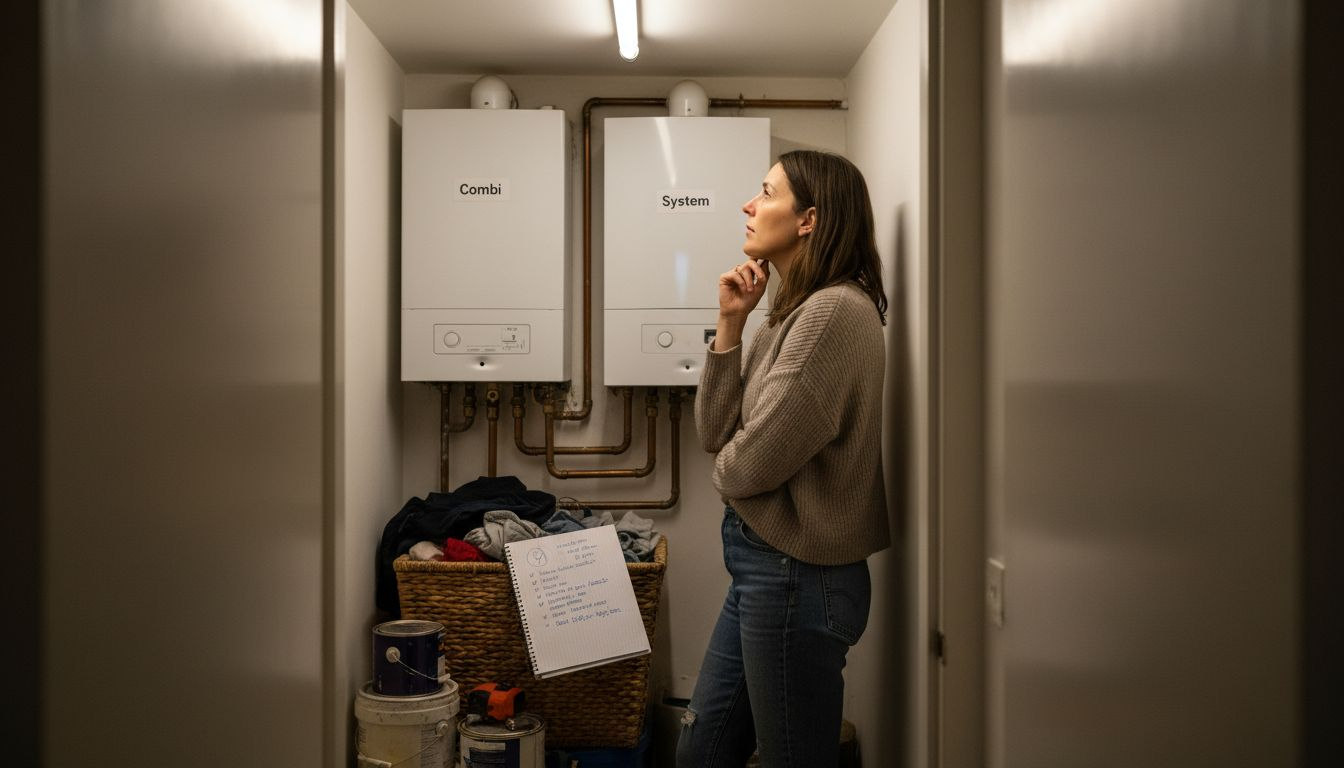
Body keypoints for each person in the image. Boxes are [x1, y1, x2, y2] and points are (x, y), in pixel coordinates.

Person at [677, 150, 890, 768]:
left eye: (766, 193)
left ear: (808, 220)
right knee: (701, 753)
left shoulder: (831, 314)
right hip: (766, 569)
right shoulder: (789, 312)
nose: (749, 206)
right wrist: (729, 323)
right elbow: (717, 433)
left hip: (798, 575)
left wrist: (732, 468)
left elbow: (742, 468)